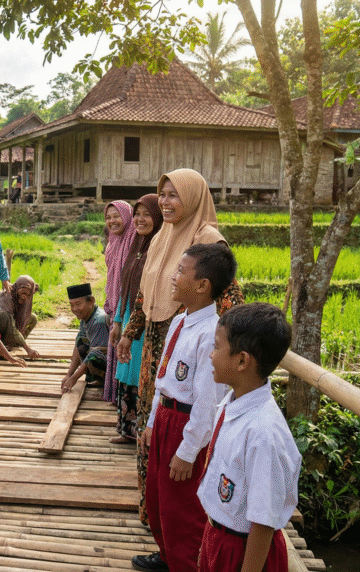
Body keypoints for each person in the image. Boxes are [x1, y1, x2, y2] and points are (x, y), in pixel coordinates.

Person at [134, 168, 245, 531]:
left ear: (194, 197)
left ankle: (178, 530)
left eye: (174, 195)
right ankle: (155, 518)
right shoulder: (163, 235)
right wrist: (130, 330)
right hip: (159, 344)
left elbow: (229, 300)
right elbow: (146, 289)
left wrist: (225, 353)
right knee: (152, 427)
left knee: (182, 444)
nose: (165, 202)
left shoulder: (207, 240)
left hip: (193, 350)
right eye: (162, 194)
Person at [132, 242, 237, 572]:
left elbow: (207, 400)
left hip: (186, 423)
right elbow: (163, 376)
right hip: (165, 416)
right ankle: (166, 556)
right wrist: (152, 421)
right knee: (158, 495)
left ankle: (185, 563)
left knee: (182, 507)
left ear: (203, 286)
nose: (173, 277)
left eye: (180, 271)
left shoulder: (212, 334)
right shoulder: (180, 322)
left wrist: (189, 450)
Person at [199, 303, 299, 572]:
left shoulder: (263, 434)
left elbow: (263, 522)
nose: (211, 355)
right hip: (220, 537)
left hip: (242, 552)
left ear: (242, 361)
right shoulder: (234, 402)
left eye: (217, 347)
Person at [111, 194, 163, 444]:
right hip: (129, 318)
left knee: (139, 375)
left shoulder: (159, 247)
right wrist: (118, 321)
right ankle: (126, 430)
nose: (140, 219)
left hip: (146, 324)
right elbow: (126, 286)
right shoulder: (137, 246)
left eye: (147, 214)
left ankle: (141, 433)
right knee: (126, 371)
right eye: (137, 214)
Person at [102, 200, 135, 404]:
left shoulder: (132, 240)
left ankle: (123, 399)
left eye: (117, 216)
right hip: (114, 302)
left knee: (125, 349)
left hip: (128, 304)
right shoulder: (113, 240)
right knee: (116, 345)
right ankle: (115, 395)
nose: (112, 221)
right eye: (108, 217)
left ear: (126, 215)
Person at [59, 283, 109, 393]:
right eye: (71, 305)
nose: (74, 309)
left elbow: (95, 353)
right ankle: (98, 378)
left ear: (91, 301)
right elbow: (79, 346)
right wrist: (69, 375)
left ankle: (105, 380)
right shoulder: (85, 317)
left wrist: (74, 378)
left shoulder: (99, 320)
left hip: (112, 364)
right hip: (98, 355)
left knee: (94, 354)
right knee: (80, 339)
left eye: (78, 304)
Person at [0, 275, 42, 359]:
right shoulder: (7, 296)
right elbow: (11, 327)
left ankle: (17, 342)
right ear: (17, 288)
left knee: (33, 318)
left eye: (27, 294)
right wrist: (27, 349)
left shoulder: (25, 297)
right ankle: (4, 343)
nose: (24, 296)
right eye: (23, 293)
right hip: (0, 327)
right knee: (5, 316)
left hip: (12, 322)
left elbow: (23, 316)